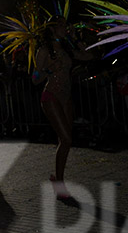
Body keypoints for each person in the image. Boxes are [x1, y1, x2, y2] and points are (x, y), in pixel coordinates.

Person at [32, 17, 92, 199]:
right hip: (50, 96)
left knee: (65, 140)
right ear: (52, 29)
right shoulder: (43, 51)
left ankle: (58, 179)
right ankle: (59, 184)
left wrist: (75, 39)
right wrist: (49, 70)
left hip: (66, 97)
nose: (65, 27)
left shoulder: (66, 49)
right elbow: (35, 78)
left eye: (66, 24)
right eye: (61, 25)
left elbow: (90, 56)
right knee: (66, 139)